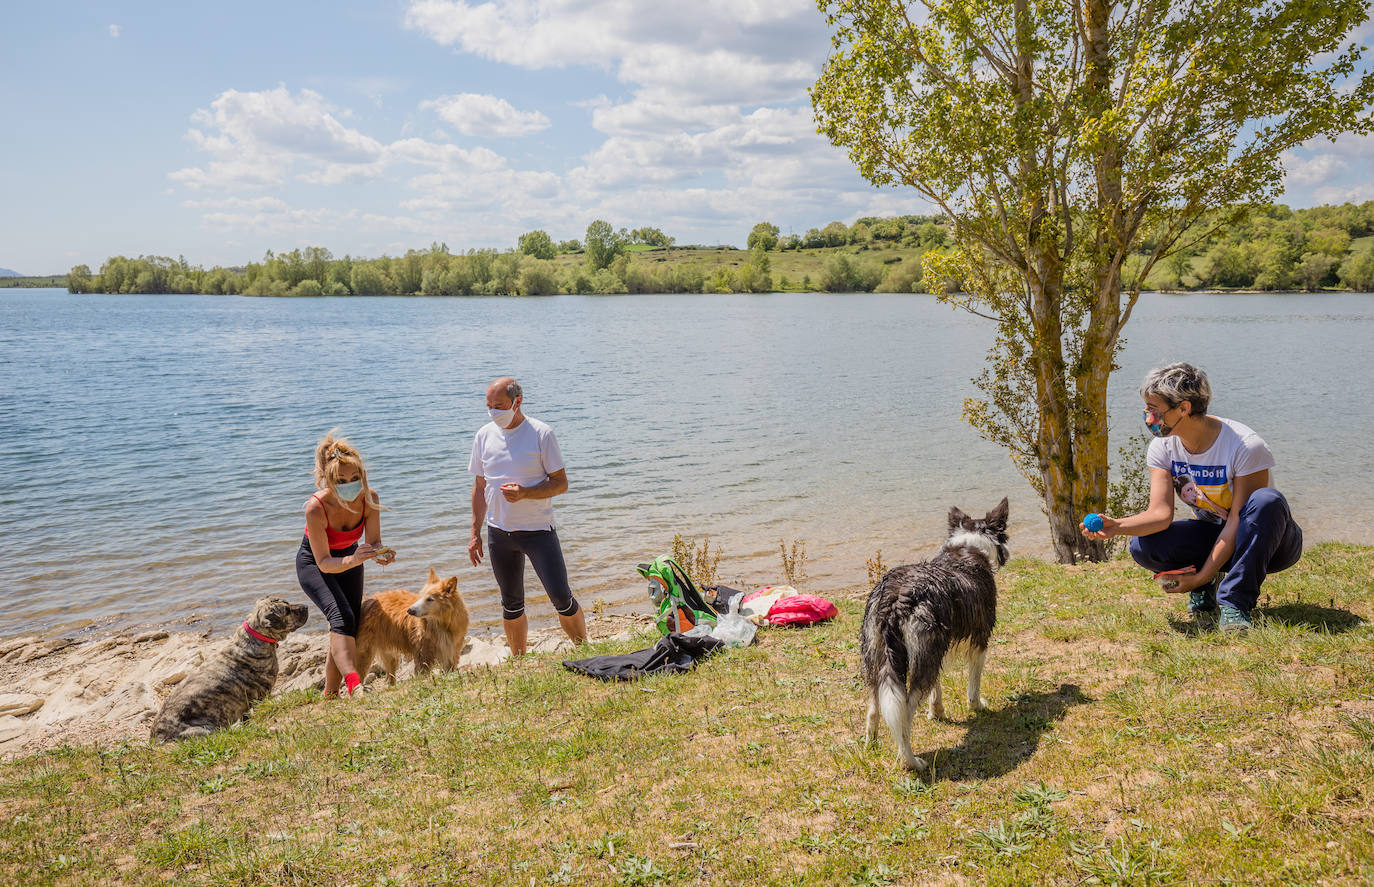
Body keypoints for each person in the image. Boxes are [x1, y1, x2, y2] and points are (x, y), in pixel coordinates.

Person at [1083, 362, 1302, 632]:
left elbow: (1237, 521)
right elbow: (1160, 515)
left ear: (1184, 408)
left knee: (1268, 501)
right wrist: (1116, 526)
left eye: (1153, 409)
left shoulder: (1245, 446)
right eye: (1146, 408)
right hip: (1216, 535)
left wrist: (1200, 576)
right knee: (1143, 546)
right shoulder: (1163, 447)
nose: (1147, 416)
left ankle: (1235, 603)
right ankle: (1209, 586)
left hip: (1269, 543)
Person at [467, 377, 587, 655]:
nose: (493, 411)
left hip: (538, 532)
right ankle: (519, 661)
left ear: (517, 402)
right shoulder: (483, 435)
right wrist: (474, 533)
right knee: (510, 603)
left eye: (499, 406)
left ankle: (584, 649)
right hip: (499, 533)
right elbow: (479, 486)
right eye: (488, 406)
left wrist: (525, 492)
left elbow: (561, 483)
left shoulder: (541, 434)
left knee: (561, 597)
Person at [296, 432, 395, 697]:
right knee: (341, 617)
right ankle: (354, 685)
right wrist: (353, 559)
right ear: (328, 480)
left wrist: (380, 553)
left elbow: (373, 541)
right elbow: (325, 563)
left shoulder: (369, 498)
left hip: (350, 557)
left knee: (348, 624)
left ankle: (330, 694)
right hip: (316, 564)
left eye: (355, 479)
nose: (350, 485)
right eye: (341, 480)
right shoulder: (315, 508)